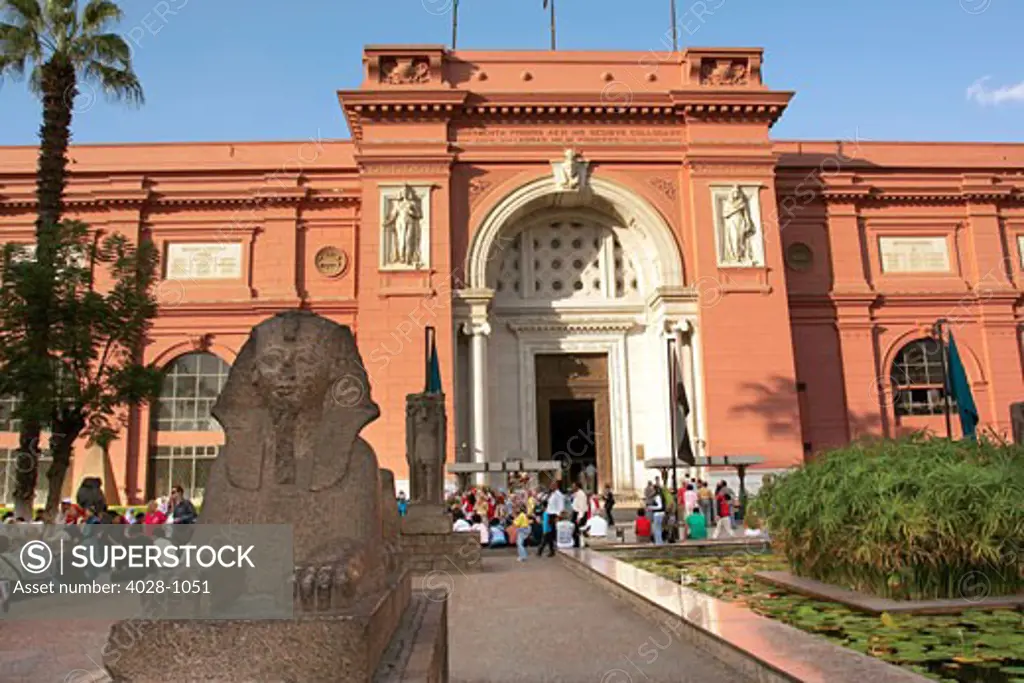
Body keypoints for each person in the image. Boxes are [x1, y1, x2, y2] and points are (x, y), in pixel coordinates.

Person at [570, 483, 588, 548]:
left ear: (577, 487)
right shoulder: (576, 494)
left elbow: (581, 506)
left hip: (579, 513)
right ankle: (576, 542)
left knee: (578, 529)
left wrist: (579, 517)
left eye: (573, 486)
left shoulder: (581, 495)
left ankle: (579, 543)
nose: (572, 488)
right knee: (575, 529)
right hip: (575, 512)